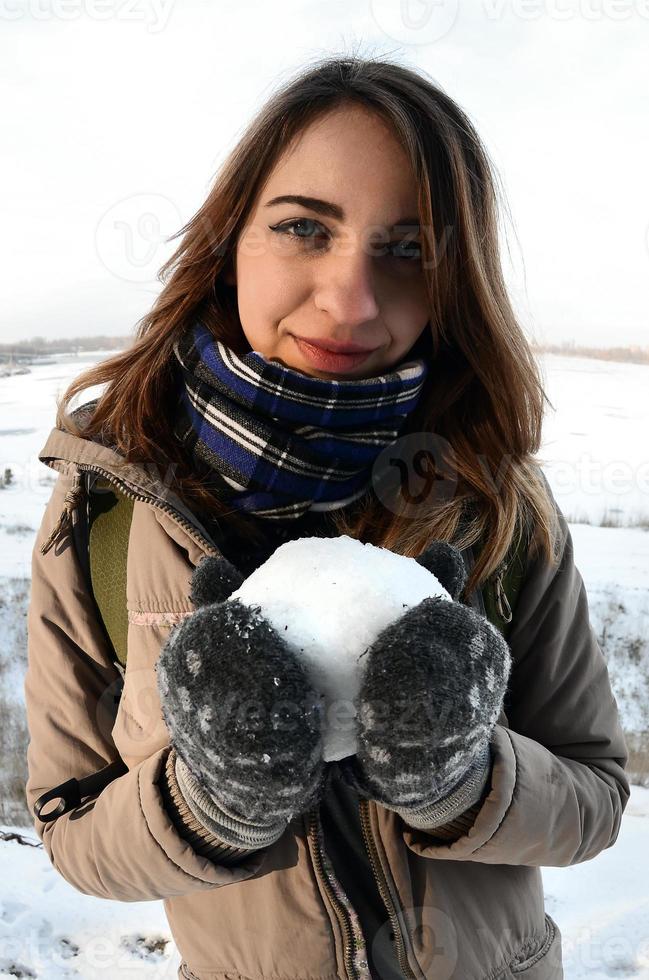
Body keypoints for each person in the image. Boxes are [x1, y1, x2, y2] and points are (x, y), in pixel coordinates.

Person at [24, 55, 629, 980]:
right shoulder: (107, 515)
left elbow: (593, 797)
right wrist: (208, 804)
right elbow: (70, 825)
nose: (349, 300)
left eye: (409, 248)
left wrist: (462, 781)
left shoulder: (496, 503)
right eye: (305, 227)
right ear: (228, 241)